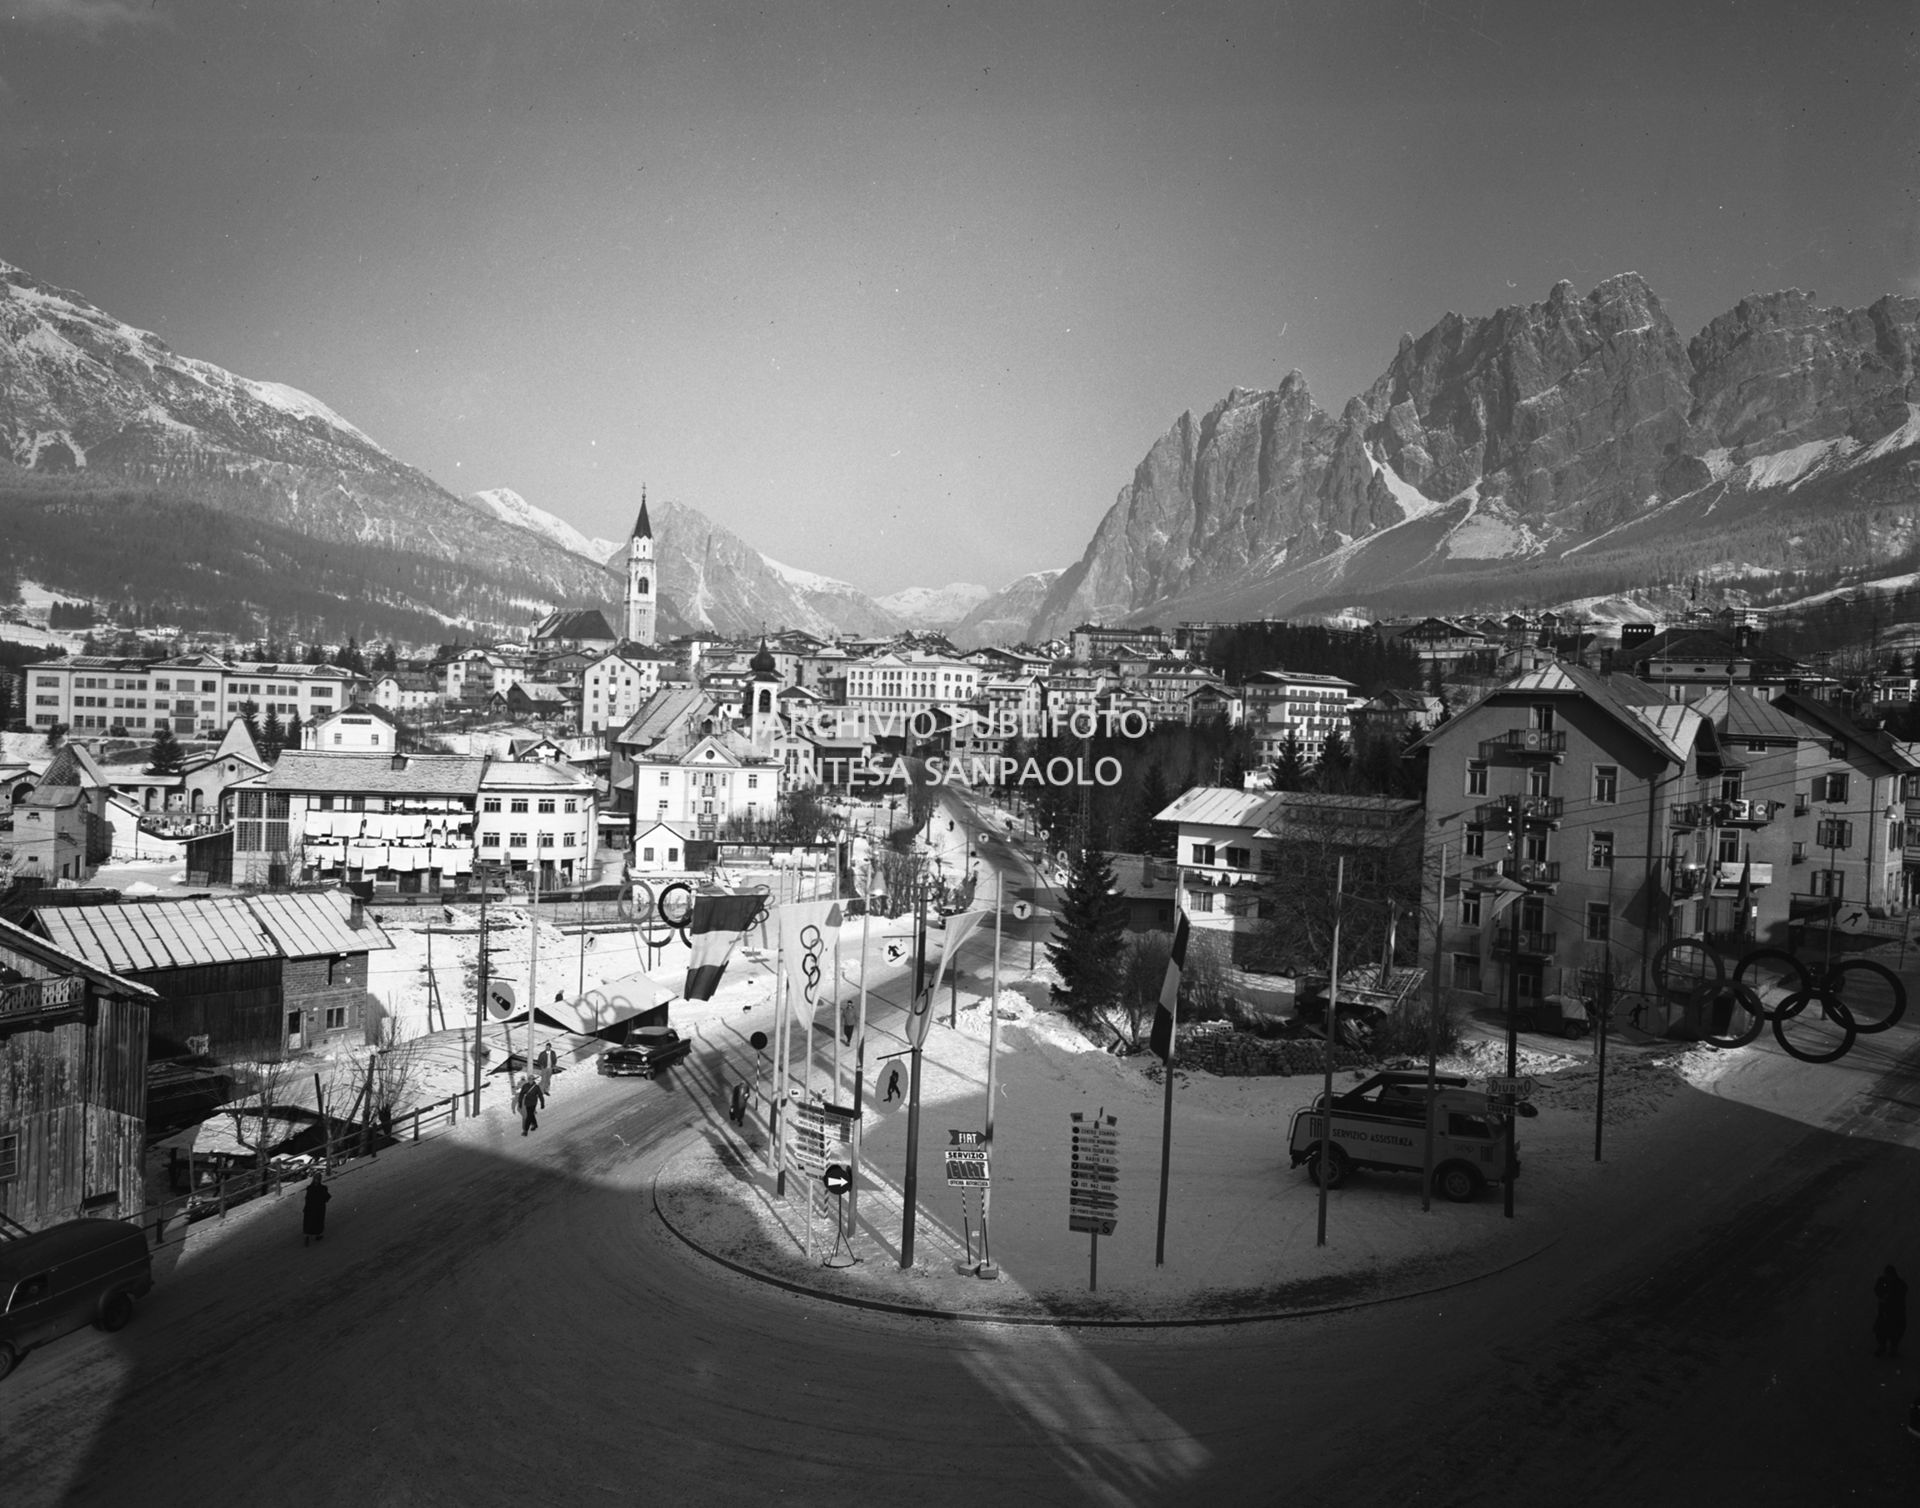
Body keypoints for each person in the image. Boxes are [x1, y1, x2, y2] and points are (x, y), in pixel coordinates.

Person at [1875, 1264, 1907, 1357]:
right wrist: (1882, 1295)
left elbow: (1903, 1290)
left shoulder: (1899, 1284)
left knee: (1896, 1331)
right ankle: (1882, 1346)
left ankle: (1893, 1348)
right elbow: (1877, 1289)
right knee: (1880, 1330)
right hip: (1885, 1311)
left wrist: (1890, 1297)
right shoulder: (1882, 1281)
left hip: (1896, 1312)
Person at [302, 1172, 330, 1246]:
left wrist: (305, 1207)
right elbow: (327, 1198)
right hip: (319, 1208)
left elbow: (307, 1198)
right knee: (318, 1221)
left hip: (310, 1207)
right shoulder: (323, 1188)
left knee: (308, 1222)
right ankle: (317, 1235)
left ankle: (307, 1236)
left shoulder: (310, 1188)